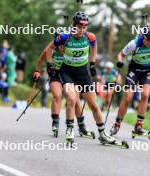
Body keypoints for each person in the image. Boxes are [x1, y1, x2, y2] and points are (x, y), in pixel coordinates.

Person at [38, 11, 115, 144]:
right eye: (79, 27)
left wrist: (92, 63)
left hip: (82, 73)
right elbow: (49, 49)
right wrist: (49, 64)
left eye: (84, 27)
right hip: (67, 72)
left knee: (94, 105)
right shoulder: (64, 37)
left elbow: (94, 47)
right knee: (72, 98)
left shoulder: (90, 37)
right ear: (74, 26)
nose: (81, 30)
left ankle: (102, 133)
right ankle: (70, 130)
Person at [33, 29, 94, 138]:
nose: (61, 47)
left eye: (63, 44)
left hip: (69, 74)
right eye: (59, 45)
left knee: (75, 99)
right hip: (55, 74)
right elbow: (40, 59)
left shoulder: (70, 46)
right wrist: (38, 71)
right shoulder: (51, 49)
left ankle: (81, 125)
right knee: (57, 95)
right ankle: (55, 122)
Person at [110, 24, 150, 136]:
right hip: (134, 70)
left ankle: (139, 125)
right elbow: (120, 54)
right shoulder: (134, 43)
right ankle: (117, 124)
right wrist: (120, 61)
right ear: (143, 36)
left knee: (145, 95)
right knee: (128, 97)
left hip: (147, 71)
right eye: (148, 39)